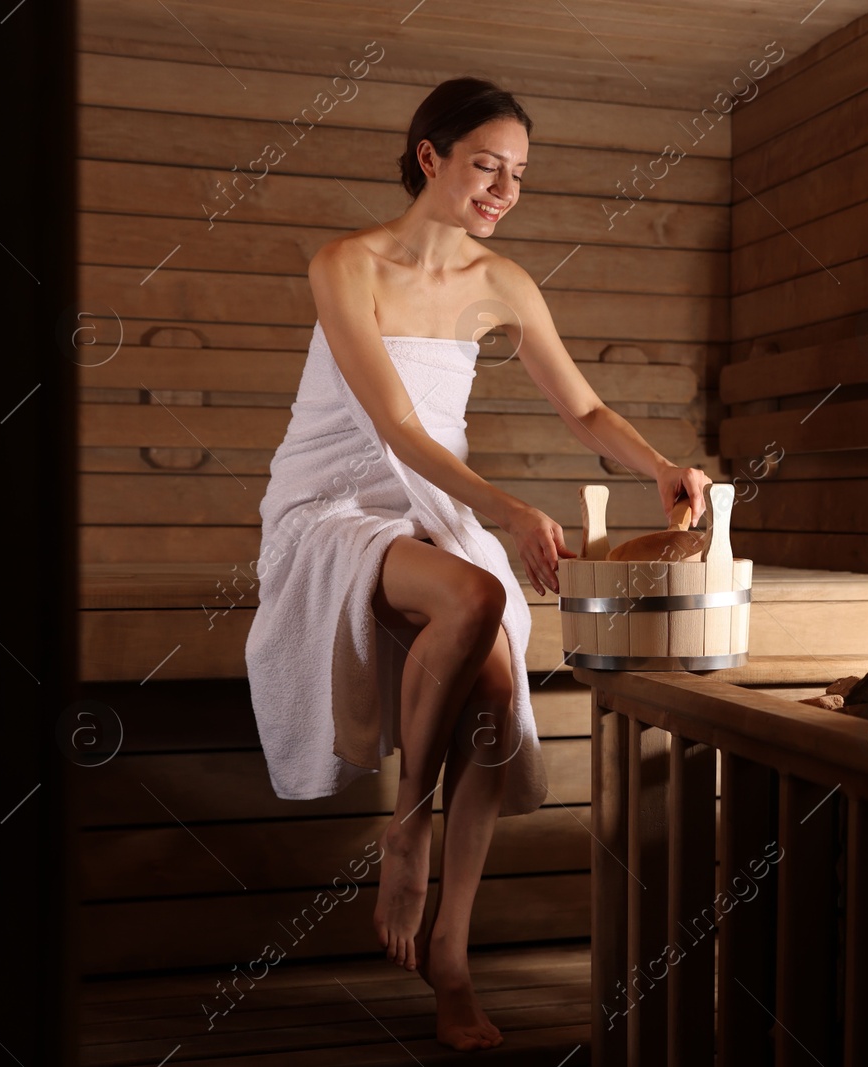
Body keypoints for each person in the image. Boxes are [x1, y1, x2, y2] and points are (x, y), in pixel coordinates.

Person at [246, 76, 712, 1051]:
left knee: (498, 688)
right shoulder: (347, 265)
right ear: (431, 156)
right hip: (333, 504)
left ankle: (451, 964)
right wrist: (502, 511)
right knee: (481, 589)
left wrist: (662, 463)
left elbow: (582, 412)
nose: (503, 189)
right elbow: (393, 424)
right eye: (486, 166)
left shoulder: (504, 283)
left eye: (518, 175)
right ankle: (406, 828)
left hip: (434, 505)